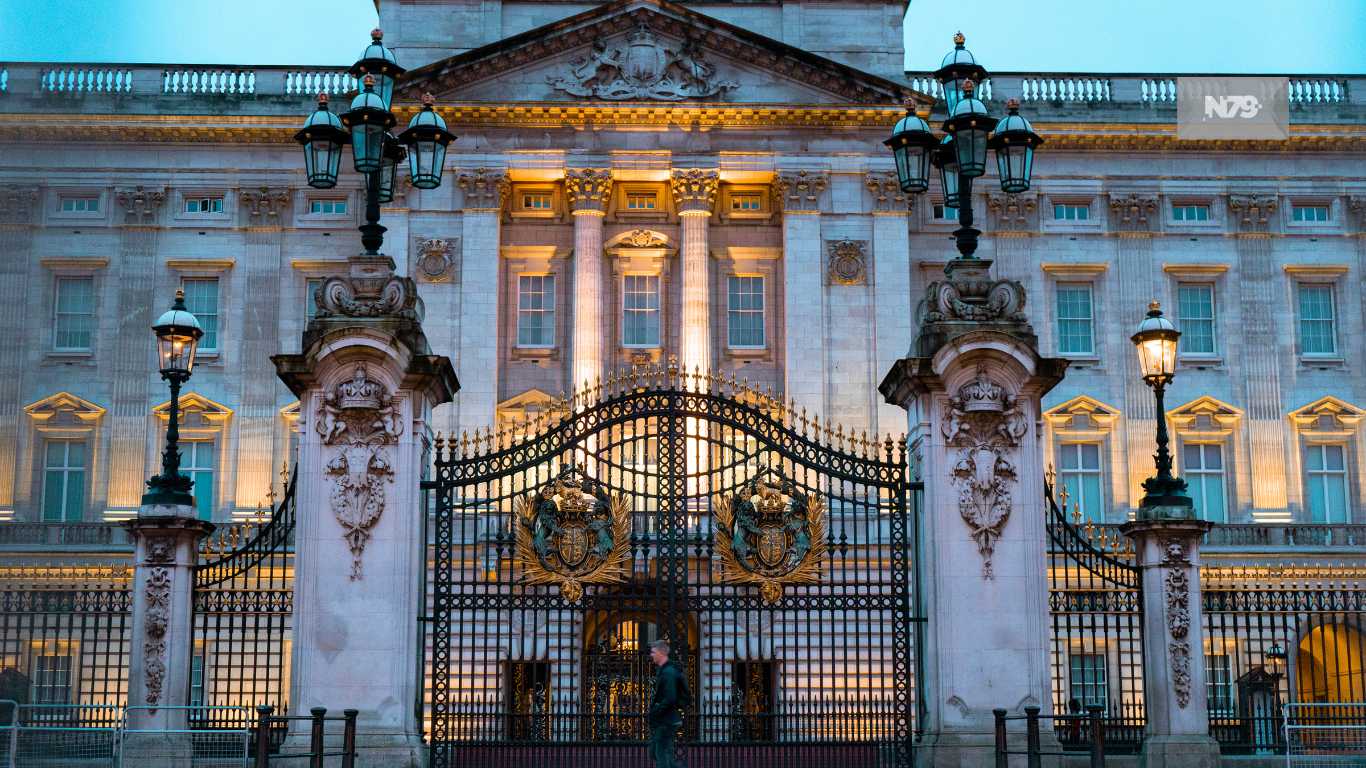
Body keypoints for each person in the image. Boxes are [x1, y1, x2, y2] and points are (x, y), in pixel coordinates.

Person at [647, 638, 686, 768]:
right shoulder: (665, 670)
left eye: (653, 652)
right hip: (666, 719)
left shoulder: (668, 672)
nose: (651, 655)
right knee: (659, 752)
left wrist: (655, 711)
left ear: (661, 653)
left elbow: (670, 698)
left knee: (660, 753)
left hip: (666, 720)